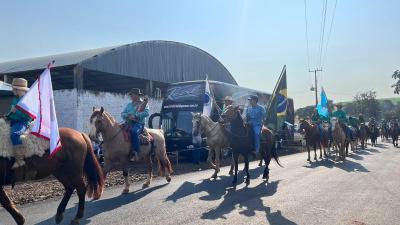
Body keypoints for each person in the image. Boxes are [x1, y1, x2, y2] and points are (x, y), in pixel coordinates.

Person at [5, 78, 32, 168]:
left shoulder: (27, 100)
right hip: (12, 121)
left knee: (15, 135)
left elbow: (29, 116)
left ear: (18, 89)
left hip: (22, 122)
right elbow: (12, 112)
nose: (12, 91)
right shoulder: (15, 99)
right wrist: (7, 116)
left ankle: (19, 160)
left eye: (13, 89)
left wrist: (16, 112)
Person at [121, 88, 149, 161]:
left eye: (132, 95)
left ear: (137, 95)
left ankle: (136, 152)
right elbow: (122, 113)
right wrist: (128, 116)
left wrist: (136, 116)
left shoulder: (143, 103)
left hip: (139, 124)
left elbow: (146, 113)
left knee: (134, 132)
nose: (131, 96)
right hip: (128, 123)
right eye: (131, 95)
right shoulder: (129, 105)